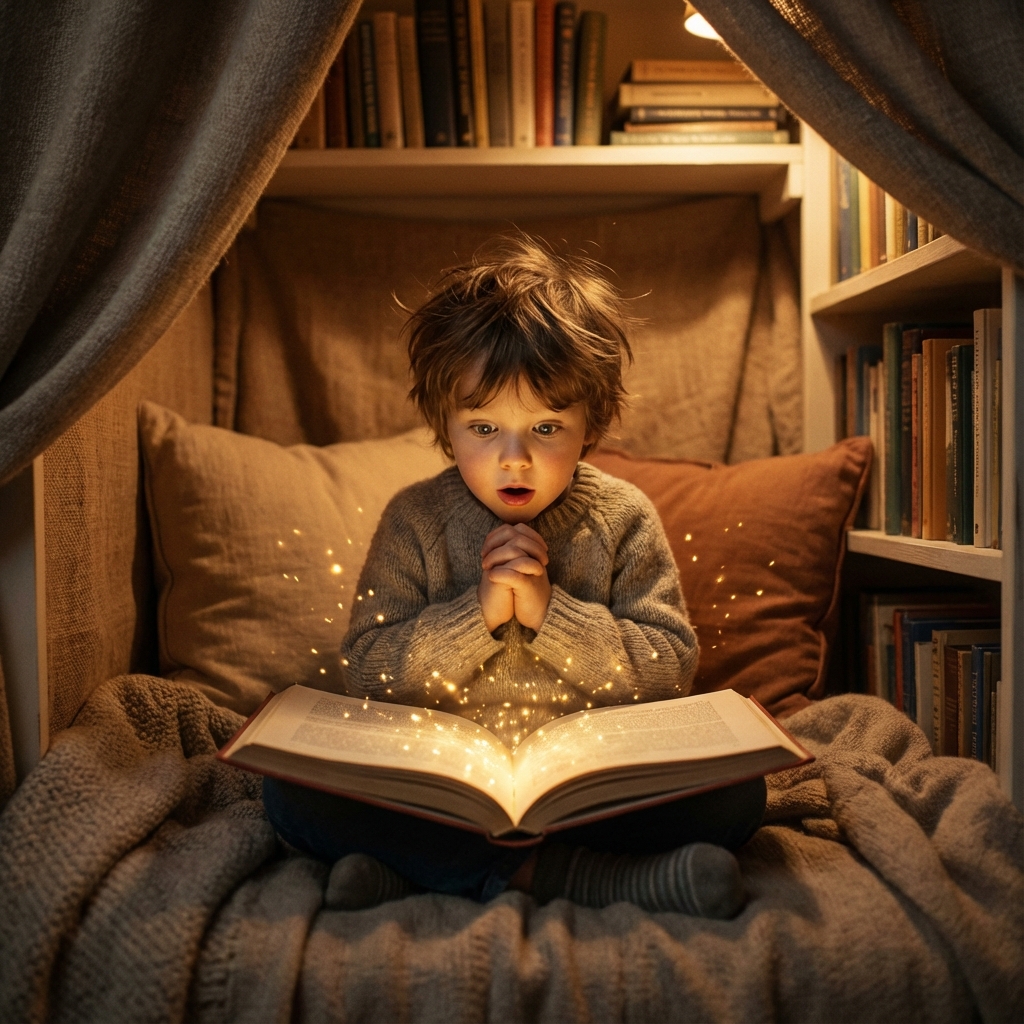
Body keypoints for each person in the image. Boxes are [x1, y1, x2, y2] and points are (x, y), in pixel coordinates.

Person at [262, 236, 766, 917]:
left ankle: (423, 876)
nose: (515, 461)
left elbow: (670, 664)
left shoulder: (624, 517)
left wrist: (550, 614)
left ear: (592, 422)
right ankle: (581, 880)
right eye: (483, 426)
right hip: (441, 790)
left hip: (590, 790)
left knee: (739, 794)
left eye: (547, 428)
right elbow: (368, 668)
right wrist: (478, 615)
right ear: (445, 425)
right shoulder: (415, 519)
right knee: (289, 793)